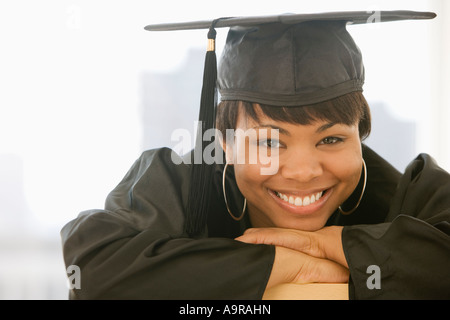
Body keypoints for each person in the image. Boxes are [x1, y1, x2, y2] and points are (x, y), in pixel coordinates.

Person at [60, 11, 450, 300]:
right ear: (224, 143)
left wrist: (322, 243)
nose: (302, 172)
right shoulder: (176, 183)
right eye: (268, 142)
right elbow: (95, 271)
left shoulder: (411, 193)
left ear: (360, 136)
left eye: (330, 140)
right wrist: (294, 264)